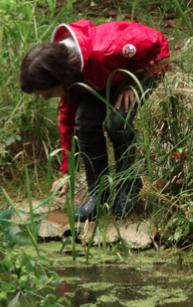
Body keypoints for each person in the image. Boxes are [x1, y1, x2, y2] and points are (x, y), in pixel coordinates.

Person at [20, 19, 170, 221]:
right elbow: (68, 120)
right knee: (85, 118)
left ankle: (129, 187)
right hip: (104, 79)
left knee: (118, 121)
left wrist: (133, 83)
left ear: (62, 78)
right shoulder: (71, 73)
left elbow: (158, 46)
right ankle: (99, 193)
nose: (47, 98)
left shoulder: (106, 51)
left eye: (48, 93)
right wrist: (68, 171)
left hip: (141, 70)